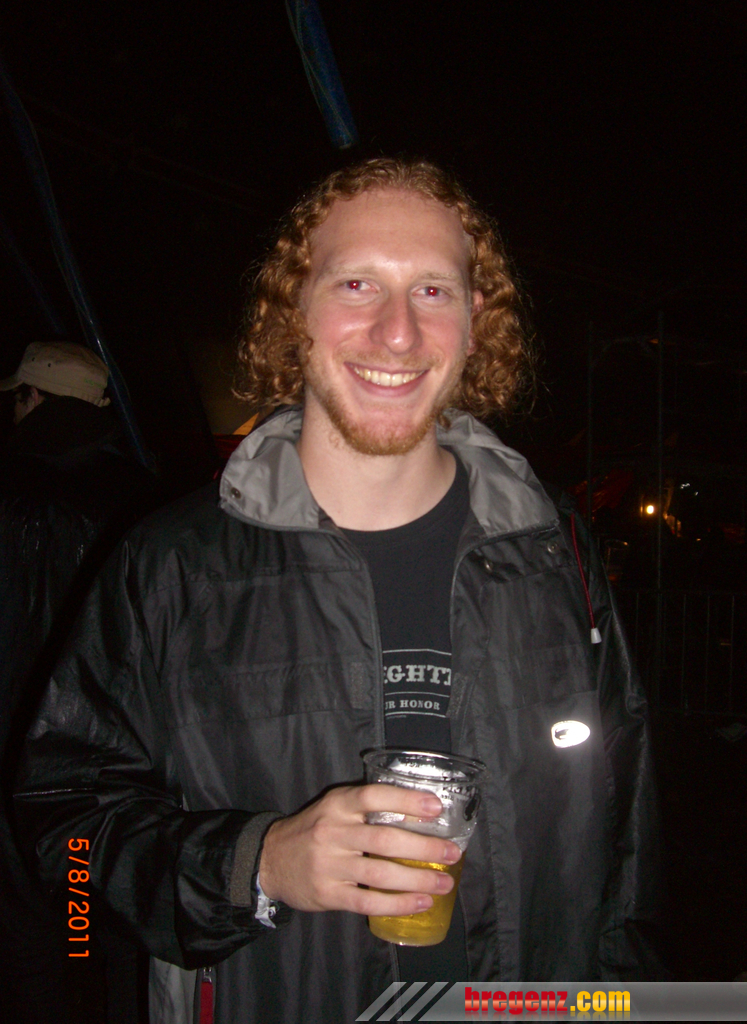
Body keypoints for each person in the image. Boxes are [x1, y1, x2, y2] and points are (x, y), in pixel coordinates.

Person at [15, 161, 664, 1024]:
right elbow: (64, 844)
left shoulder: (555, 552)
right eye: (357, 283)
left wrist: (623, 1002)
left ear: (477, 323)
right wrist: (256, 864)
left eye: (433, 290)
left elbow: (625, 842)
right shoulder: (170, 566)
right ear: (295, 312)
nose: (398, 332)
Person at [0, 340, 155, 1023]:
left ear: (37, 398)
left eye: (21, 396)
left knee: (31, 936)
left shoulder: (10, 491)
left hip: (17, 761)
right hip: (110, 768)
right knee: (97, 924)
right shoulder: (148, 502)